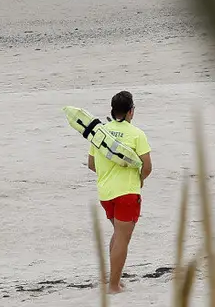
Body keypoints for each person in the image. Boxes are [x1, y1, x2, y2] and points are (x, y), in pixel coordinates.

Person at [86, 90, 153, 294]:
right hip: (127, 194)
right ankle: (113, 285)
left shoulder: (100, 132)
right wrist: (138, 179)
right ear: (131, 111)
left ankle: (114, 279)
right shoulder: (137, 134)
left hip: (105, 194)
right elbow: (147, 166)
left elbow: (91, 164)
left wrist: (108, 173)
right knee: (123, 238)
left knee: (118, 235)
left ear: (112, 110)